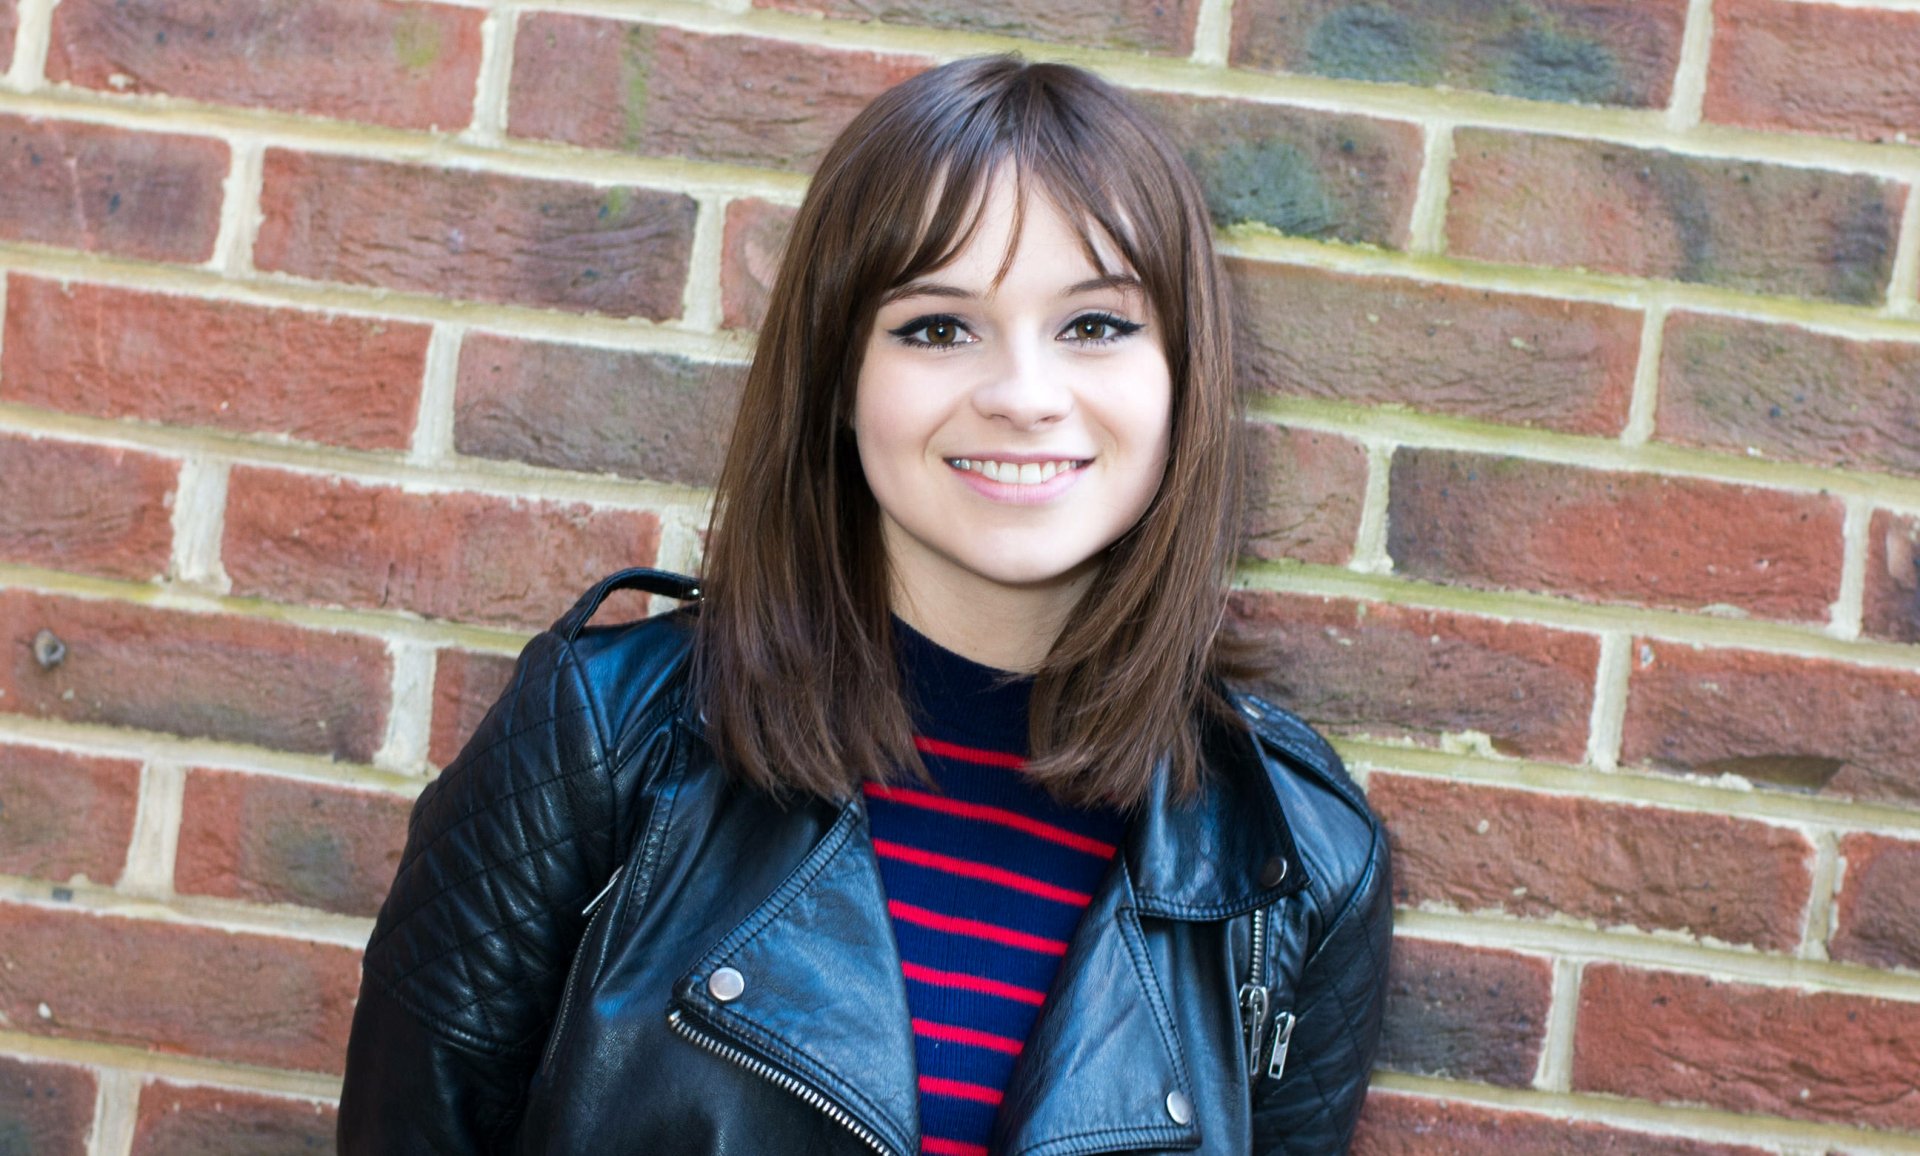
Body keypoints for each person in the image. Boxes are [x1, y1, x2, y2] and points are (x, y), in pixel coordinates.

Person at [338, 55, 1391, 1155]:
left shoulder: (1296, 860)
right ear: (840, 381)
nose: (1023, 396)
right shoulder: (602, 743)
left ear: (1182, 379)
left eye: (1095, 326)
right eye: (939, 327)